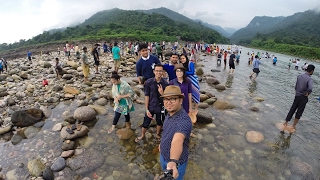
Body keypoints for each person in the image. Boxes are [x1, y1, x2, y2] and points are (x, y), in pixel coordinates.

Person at [159, 85, 192, 180]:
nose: (168, 103)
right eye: (166, 99)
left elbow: (178, 140)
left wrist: (173, 162)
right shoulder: (170, 113)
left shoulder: (183, 121)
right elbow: (166, 131)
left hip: (177, 164)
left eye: (173, 99)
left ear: (180, 100)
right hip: (163, 155)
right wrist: (162, 143)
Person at [135, 64, 168, 142]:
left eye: (160, 71)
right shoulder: (149, 82)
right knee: (146, 122)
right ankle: (142, 135)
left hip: (160, 107)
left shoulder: (165, 83)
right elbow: (147, 96)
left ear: (163, 72)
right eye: (157, 71)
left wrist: (162, 93)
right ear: (154, 71)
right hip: (151, 106)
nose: (158, 72)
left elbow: (167, 98)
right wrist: (146, 109)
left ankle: (157, 134)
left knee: (159, 122)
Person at [284, 65, 315, 131]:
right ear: (312, 71)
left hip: (297, 95)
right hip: (303, 97)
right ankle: (293, 126)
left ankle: (286, 122)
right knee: (299, 112)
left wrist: (297, 91)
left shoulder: (300, 76)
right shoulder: (310, 79)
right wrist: (308, 93)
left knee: (292, 109)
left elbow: (296, 86)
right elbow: (310, 88)